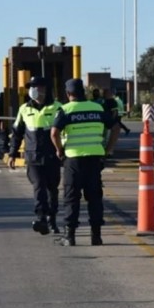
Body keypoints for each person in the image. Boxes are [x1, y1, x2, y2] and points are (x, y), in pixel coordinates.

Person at [50, 79, 114, 246]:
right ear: (84, 92)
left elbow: (54, 133)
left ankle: (69, 236)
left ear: (68, 93)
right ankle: (96, 236)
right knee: (94, 197)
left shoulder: (65, 110)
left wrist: (59, 150)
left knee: (72, 198)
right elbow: (115, 127)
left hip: (73, 160)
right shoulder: (97, 108)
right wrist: (107, 150)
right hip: (94, 159)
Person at [8, 76, 63, 235]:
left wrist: (63, 151)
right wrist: (12, 154)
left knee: (52, 189)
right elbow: (17, 133)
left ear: (46, 89)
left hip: (52, 156)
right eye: (32, 87)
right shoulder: (24, 109)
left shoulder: (58, 108)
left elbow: (64, 132)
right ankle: (41, 219)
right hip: (33, 157)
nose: (34, 90)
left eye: (37, 87)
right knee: (39, 186)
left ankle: (52, 219)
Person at [102, 88, 121, 156]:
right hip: (105, 121)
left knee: (108, 136)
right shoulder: (103, 101)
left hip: (109, 121)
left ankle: (109, 151)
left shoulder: (112, 101)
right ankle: (107, 150)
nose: (103, 94)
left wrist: (112, 120)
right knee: (105, 136)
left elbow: (114, 112)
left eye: (105, 93)